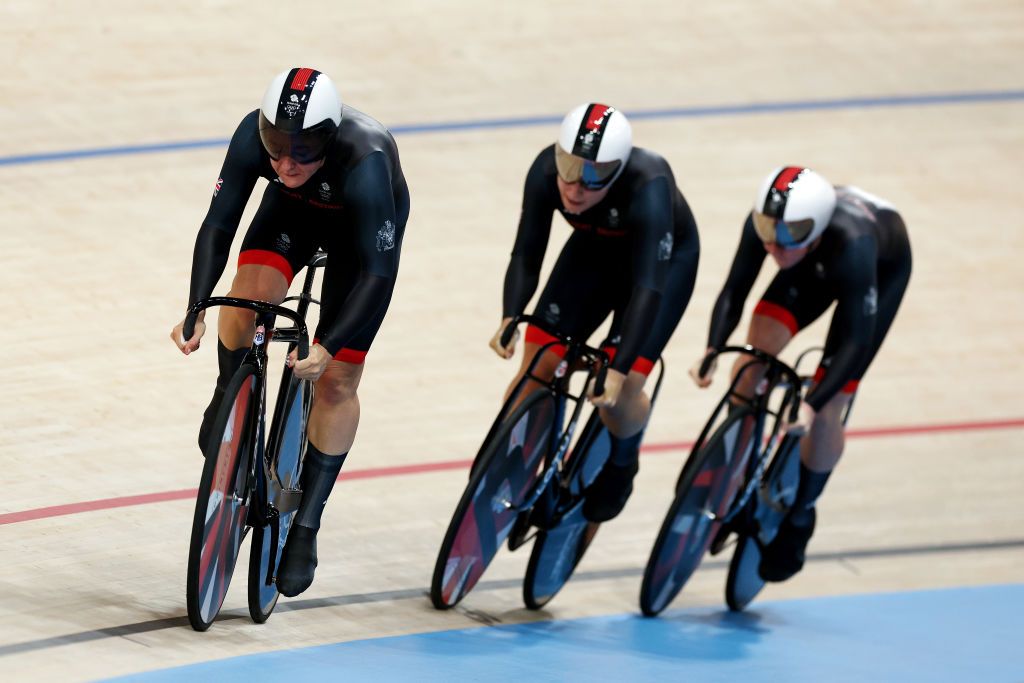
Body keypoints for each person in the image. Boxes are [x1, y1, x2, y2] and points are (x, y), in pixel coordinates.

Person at [169, 67, 410, 597]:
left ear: (328, 137)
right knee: (244, 297)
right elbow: (219, 223)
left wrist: (327, 346)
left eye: (302, 150)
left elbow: (378, 273)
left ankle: (307, 525)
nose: (285, 161)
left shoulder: (365, 158)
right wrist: (196, 307)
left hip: (358, 241)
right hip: (291, 214)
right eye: (277, 146)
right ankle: (229, 392)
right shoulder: (254, 138)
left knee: (338, 381)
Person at [690, 166, 911, 582]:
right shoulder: (774, 228)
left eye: (789, 234)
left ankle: (801, 514)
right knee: (752, 362)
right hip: (811, 262)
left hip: (877, 273)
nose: (775, 244)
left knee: (830, 405)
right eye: (769, 231)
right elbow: (735, 289)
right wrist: (713, 348)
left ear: (815, 228)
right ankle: (737, 465)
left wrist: (811, 405)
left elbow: (854, 344)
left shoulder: (855, 243)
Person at [491, 103, 700, 523]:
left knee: (618, 392)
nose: (575, 187)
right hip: (594, 250)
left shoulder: (651, 182)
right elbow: (527, 253)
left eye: (594, 176)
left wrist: (620, 366)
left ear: (619, 170)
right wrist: (511, 315)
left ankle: (623, 463)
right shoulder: (545, 171)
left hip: (660, 267)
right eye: (569, 166)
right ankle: (519, 471)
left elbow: (647, 287)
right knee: (535, 370)